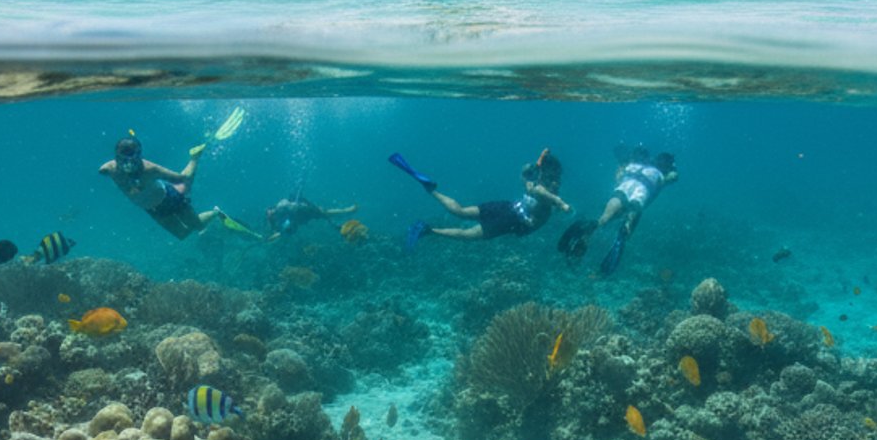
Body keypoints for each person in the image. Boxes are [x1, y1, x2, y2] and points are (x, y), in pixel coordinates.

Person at [391, 149, 569, 247]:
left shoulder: (531, 182)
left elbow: (525, 175)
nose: (557, 182)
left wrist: (535, 165)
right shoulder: (543, 190)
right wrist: (563, 205)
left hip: (507, 207)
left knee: (460, 211)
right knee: (467, 235)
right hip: (512, 221)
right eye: (557, 178)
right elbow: (547, 196)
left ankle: (431, 190)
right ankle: (427, 230)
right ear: (553, 176)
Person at [100, 133, 254, 241]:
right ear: (117, 157)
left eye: (132, 160)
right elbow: (103, 170)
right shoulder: (109, 169)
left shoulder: (150, 169)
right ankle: (193, 163)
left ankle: (215, 211)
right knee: (182, 234)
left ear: (139, 156)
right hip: (153, 210)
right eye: (123, 160)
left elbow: (179, 178)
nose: (128, 165)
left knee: (198, 225)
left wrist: (185, 185)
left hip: (169, 199)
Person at [558, 146, 677, 276]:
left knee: (603, 219)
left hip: (623, 188)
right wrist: (671, 170)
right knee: (626, 229)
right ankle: (607, 263)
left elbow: (618, 177)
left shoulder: (632, 165)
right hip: (640, 194)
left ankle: (583, 231)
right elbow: (673, 177)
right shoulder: (659, 174)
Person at [265, 189, 360, 239]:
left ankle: (347, 211)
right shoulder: (274, 219)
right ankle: (344, 215)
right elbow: (280, 232)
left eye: (270, 212)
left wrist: (298, 207)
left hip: (304, 210)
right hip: (300, 218)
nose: (270, 214)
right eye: (269, 214)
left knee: (325, 213)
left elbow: (290, 204)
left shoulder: (280, 206)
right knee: (325, 214)